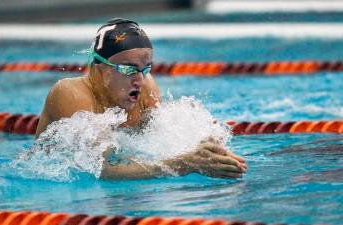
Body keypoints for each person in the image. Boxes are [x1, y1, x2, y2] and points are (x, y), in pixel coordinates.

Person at [35, 18, 247, 180]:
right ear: (100, 70)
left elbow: (158, 143)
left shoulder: (146, 88)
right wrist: (184, 164)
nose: (140, 80)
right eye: (128, 69)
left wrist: (206, 152)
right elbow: (103, 169)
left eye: (145, 68)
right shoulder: (70, 94)